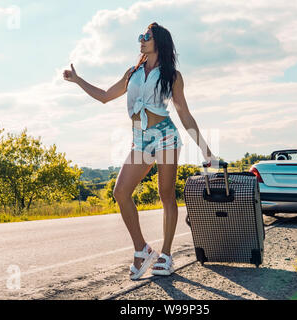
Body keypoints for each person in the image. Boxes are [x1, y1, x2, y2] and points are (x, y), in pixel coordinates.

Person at [64, 22, 218, 280]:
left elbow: (184, 114)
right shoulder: (132, 72)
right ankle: (142, 249)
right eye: (141, 36)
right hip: (141, 140)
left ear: (159, 41)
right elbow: (104, 96)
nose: (141, 40)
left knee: (166, 194)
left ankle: (166, 255)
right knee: (121, 192)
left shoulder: (172, 75)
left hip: (165, 137)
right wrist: (78, 80)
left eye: (146, 36)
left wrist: (206, 151)